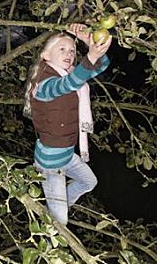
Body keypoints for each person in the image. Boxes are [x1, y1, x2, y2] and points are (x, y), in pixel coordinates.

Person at [23, 23, 112, 225]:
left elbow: (101, 65)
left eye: (72, 50)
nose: (69, 54)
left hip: (67, 154)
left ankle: (60, 205)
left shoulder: (69, 73)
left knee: (89, 182)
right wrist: (89, 57)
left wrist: (89, 41)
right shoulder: (43, 84)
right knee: (60, 225)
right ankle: (56, 218)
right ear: (45, 56)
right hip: (50, 163)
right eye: (62, 49)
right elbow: (67, 85)